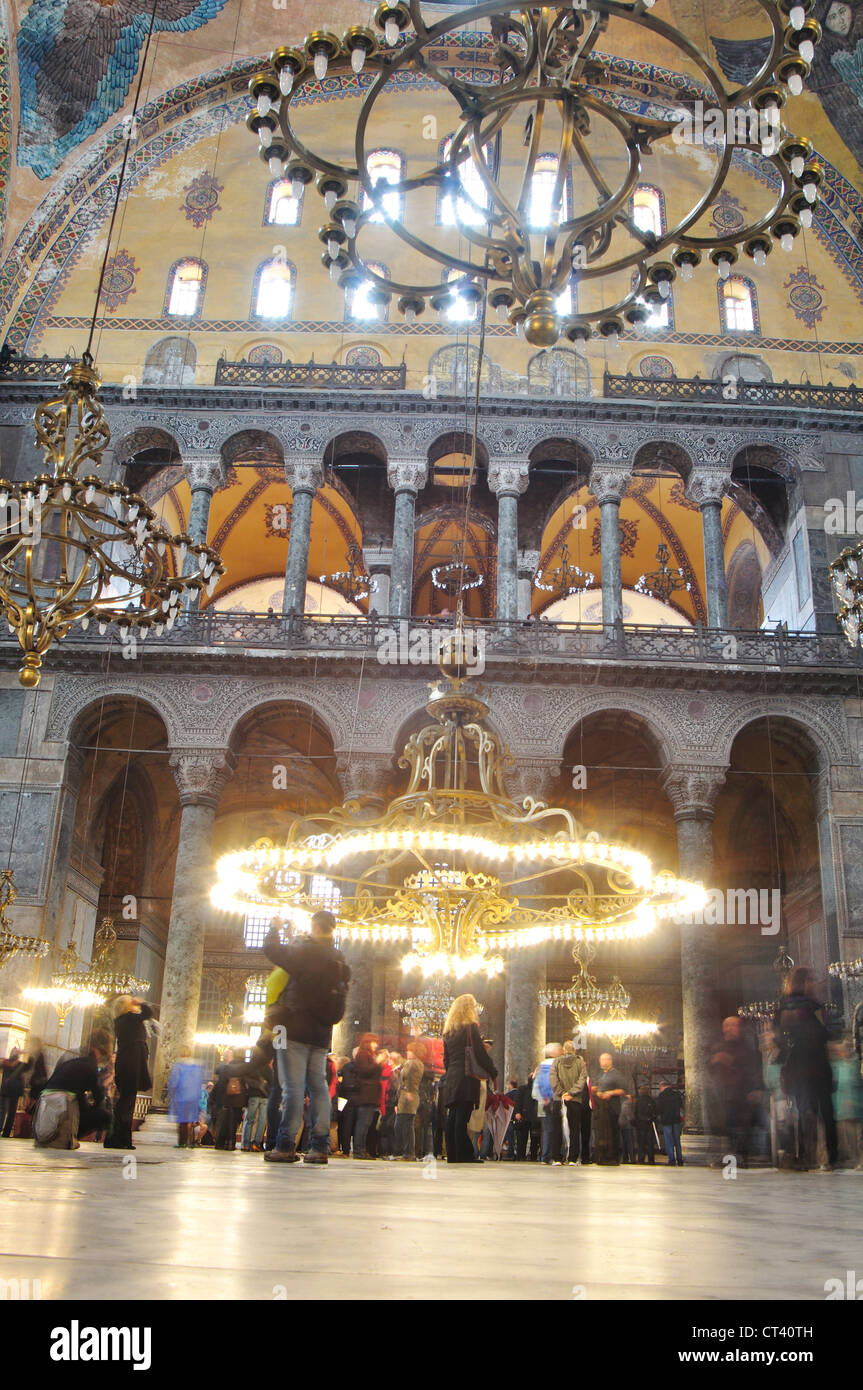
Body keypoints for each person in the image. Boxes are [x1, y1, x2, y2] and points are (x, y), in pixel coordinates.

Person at [263, 910, 351, 1165]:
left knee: (292, 1089)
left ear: (314, 926)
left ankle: (285, 1145)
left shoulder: (306, 951)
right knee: (319, 1088)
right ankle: (319, 1147)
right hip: (322, 1033)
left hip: (295, 1029)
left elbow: (273, 951)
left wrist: (274, 927)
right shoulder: (338, 957)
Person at [773, 967, 837, 1171]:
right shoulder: (801, 1007)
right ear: (802, 982)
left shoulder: (808, 1007)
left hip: (813, 1065)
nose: (814, 984)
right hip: (804, 1066)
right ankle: (806, 1154)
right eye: (810, 980)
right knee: (807, 1111)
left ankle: (823, 1156)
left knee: (821, 1112)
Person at [441, 994, 497, 1162]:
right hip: (466, 1077)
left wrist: (451, 1073)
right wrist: (493, 1072)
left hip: (452, 1076)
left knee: (453, 1116)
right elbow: (479, 1053)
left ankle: (453, 1154)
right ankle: (463, 1155)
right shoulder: (470, 1027)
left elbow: (446, 1060)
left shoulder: (448, 1032)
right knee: (462, 1117)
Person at [40, 1031, 114, 1142]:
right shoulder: (90, 1065)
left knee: (81, 1100)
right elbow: (98, 1097)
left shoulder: (75, 1058)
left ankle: (67, 1135)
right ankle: (70, 1136)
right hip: (63, 1106)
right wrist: (104, 1088)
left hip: (45, 1105)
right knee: (105, 1116)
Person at [104, 996, 153, 1151]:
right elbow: (148, 1012)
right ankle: (122, 1140)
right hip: (132, 1063)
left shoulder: (121, 1020)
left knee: (124, 1103)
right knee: (127, 1104)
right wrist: (140, 1002)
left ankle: (116, 1138)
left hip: (126, 1062)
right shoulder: (130, 1018)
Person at [551, 1040, 588, 1164]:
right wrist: (571, 1093)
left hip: (559, 1100)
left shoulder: (556, 1061)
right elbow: (582, 1079)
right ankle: (572, 1158)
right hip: (575, 1100)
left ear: (563, 1050)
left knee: (557, 1129)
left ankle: (556, 1157)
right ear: (575, 1049)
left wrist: (561, 1093)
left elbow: (553, 1079)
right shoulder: (580, 1062)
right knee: (574, 1129)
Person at [830, 1038, 863, 1169]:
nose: (844, 1052)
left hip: (858, 1107)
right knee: (850, 1139)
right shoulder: (839, 1066)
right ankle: (855, 1159)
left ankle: (861, 1160)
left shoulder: (857, 1063)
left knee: (860, 1137)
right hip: (844, 1109)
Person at [591, 1052, 628, 1165]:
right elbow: (597, 1087)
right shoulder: (600, 1074)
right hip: (601, 1110)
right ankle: (602, 1157)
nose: (602, 1062)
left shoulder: (616, 1074)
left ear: (610, 1061)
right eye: (601, 1060)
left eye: (605, 1060)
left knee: (613, 1134)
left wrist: (610, 1093)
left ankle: (613, 1158)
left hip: (612, 1109)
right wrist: (594, 1090)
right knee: (601, 1134)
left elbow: (623, 1090)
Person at [166, 1048, 204, 1148]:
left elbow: (174, 1082)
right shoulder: (195, 1067)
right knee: (191, 1121)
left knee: (182, 1121)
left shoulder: (179, 1066)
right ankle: (190, 1142)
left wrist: (171, 1093)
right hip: (193, 1098)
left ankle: (182, 1142)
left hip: (182, 1096)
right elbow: (198, 1082)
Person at [394, 1041, 425, 1161]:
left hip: (408, 1096)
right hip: (406, 1095)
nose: (407, 1052)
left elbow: (411, 1079)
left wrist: (409, 1091)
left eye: (410, 1050)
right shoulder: (412, 1063)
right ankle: (407, 1152)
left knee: (405, 1125)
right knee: (405, 1125)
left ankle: (408, 1153)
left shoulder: (413, 1064)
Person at [535, 1042, 564, 1164]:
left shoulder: (541, 1066)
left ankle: (545, 1156)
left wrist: (542, 1098)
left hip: (543, 1101)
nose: (563, 1052)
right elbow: (553, 1083)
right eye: (560, 1050)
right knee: (558, 1129)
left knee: (546, 1130)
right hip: (555, 1100)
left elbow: (537, 1085)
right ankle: (556, 1155)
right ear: (555, 1052)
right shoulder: (557, 1064)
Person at [241, 1046, 271, 1152]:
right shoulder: (266, 1067)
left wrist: (255, 1085)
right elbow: (271, 1080)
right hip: (265, 1097)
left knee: (249, 1120)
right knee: (262, 1121)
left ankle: (245, 1144)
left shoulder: (250, 1067)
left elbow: (245, 1079)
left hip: (253, 1095)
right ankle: (257, 1144)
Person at [657, 1081, 685, 1166]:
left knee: (669, 1140)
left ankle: (672, 1159)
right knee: (677, 1140)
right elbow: (681, 1106)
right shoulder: (677, 1094)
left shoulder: (661, 1096)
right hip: (676, 1120)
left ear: (662, 1086)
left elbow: (659, 1108)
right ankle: (680, 1159)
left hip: (666, 1121)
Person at [0, 1047, 26, 1137]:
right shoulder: (20, 1064)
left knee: (3, 1110)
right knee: (11, 1112)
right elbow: (23, 1079)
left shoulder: (6, 1062)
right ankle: (6, 1133)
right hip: (14, 1091)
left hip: (6, 1090)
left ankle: (2, 1129)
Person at [634, 1086, 656, 1164]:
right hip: (649, 1123)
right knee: (650, 1143)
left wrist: (636, 1122)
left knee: (641, 1143)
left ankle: (641, 1159)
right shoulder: (651, 1100)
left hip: (640, 1124)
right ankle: (651, 1159)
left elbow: (635, 1112)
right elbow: (655, 1111)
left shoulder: (638, 1101)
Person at [619, 1094, 636, 1163]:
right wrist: (634, 1121)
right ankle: (632, 1159)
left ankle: (624, 1158)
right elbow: (630, 1117)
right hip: (627, 1126)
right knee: (630, 1143)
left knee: (625, 1143)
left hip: (623, 1126)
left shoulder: (623, 1105)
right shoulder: (626, 1105)